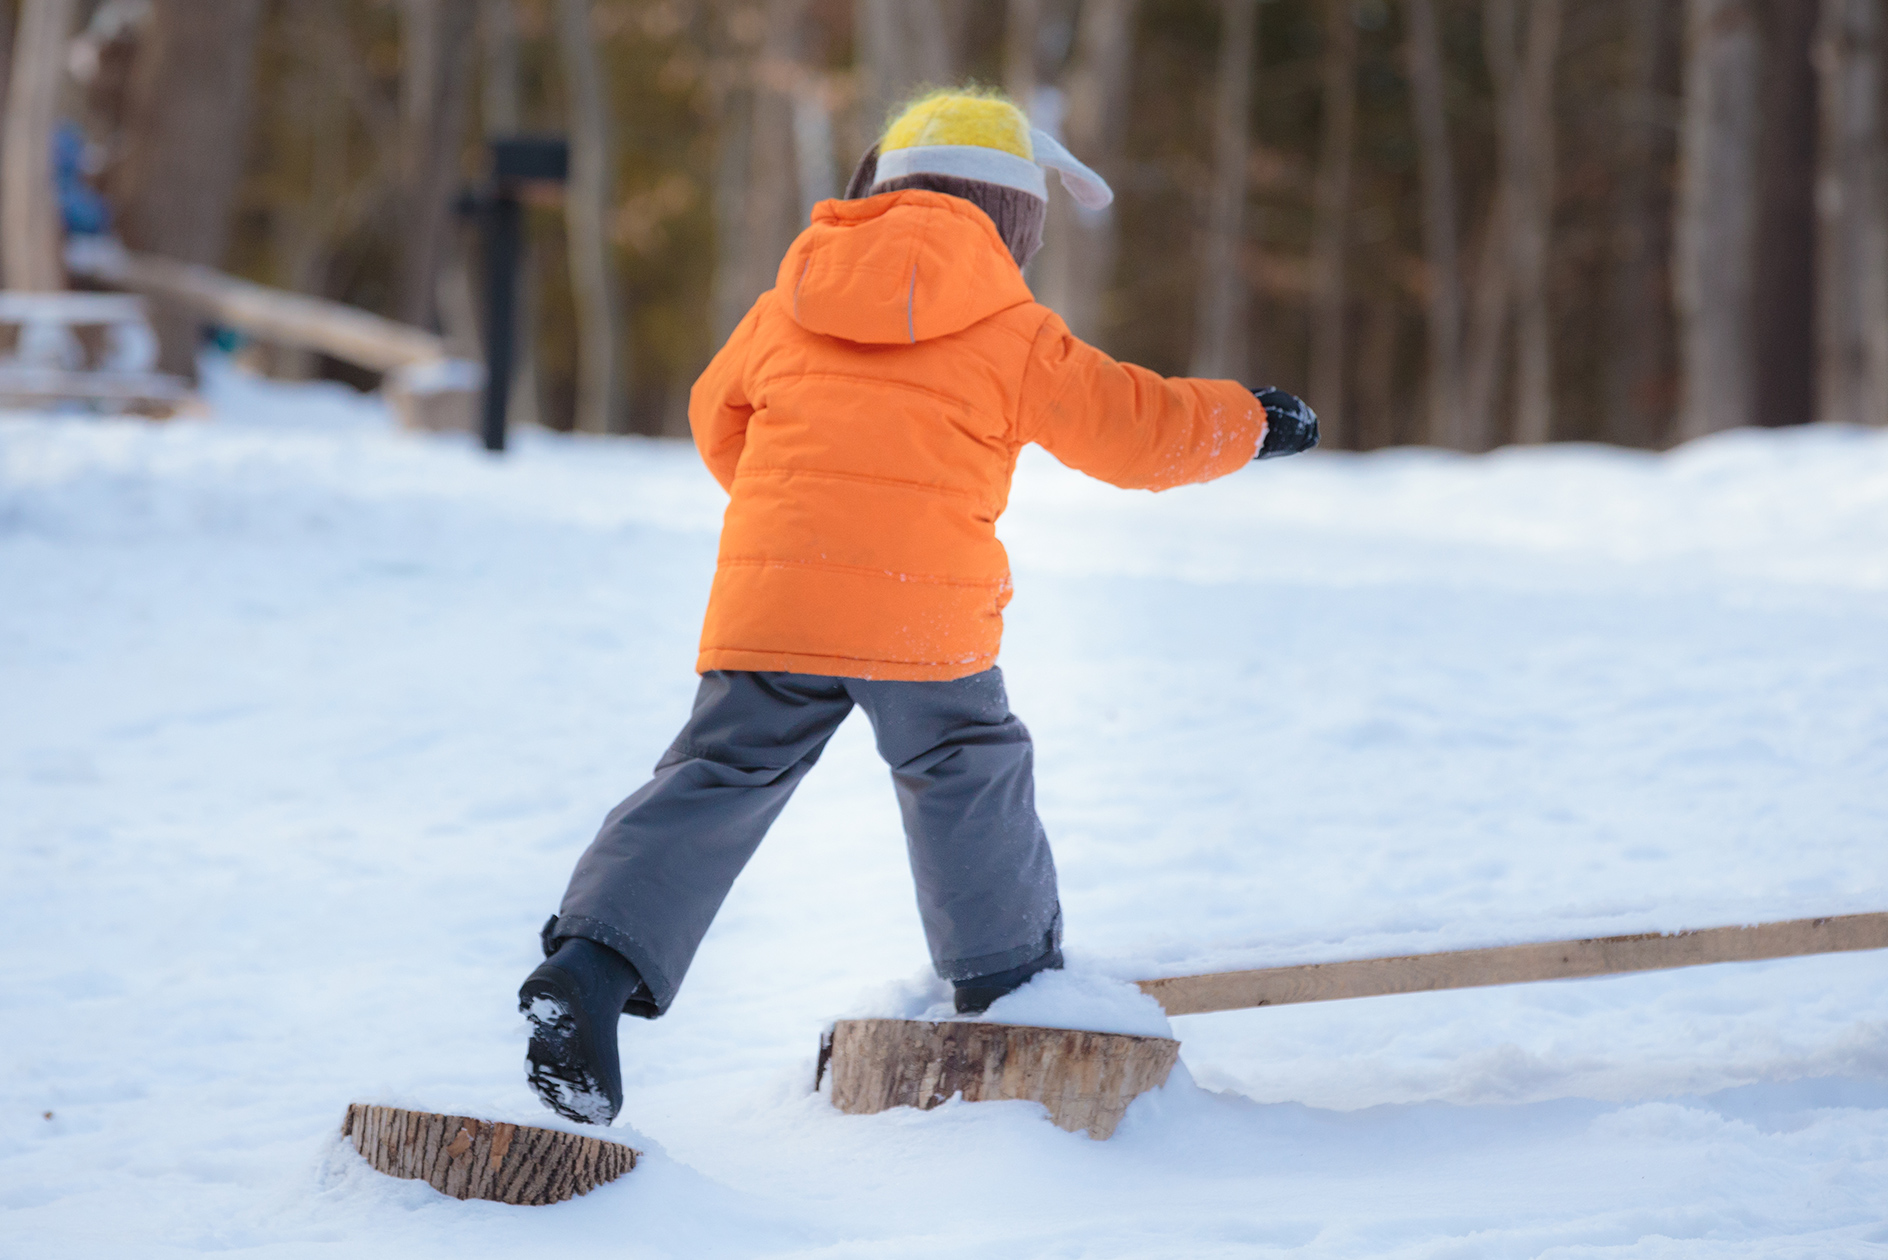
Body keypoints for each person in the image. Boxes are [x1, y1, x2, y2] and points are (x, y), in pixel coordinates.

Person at [518, 89, 1319, 1125]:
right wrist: (1252, 421)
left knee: (717, 772)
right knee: (963, 763)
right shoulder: (1011, 328)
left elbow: (716, 419)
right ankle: (1006, 985)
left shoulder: (783, 302)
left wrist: (795, 523)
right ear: (1014, 222)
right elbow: (1136, 432)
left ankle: (591, 962)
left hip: (773, 595)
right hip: (919, 615)